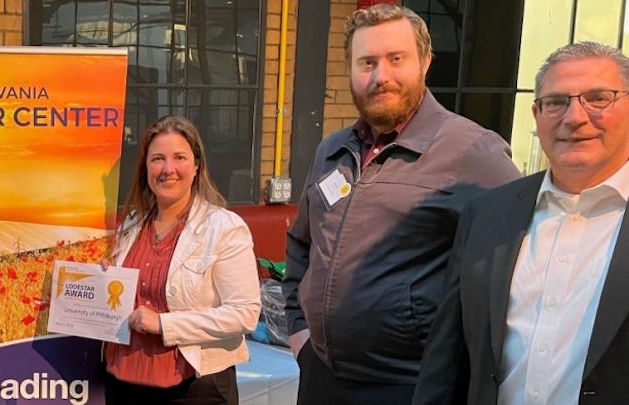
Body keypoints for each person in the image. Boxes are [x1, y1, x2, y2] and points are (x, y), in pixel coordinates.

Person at [282, 4, 522, 404]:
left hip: (410, 388)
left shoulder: (473, 152)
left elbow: (517, 262)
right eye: (367, 62)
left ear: (425, 61)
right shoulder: (332, 151)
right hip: (321, 378)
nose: (381, 77)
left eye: (396, 59)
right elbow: (302, 244)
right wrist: (298, 331)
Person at [413, 41, 629, 405]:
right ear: (536, 114)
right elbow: (446, 360)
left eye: (597, 98)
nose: (574, 117)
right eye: (556, 102)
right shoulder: (489, 214)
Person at [101, 115, 261, 405]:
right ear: (145, 168)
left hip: (194, 387)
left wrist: (164, 324)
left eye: (179, 158)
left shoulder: (224, 227)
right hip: (123, 381)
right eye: (157, 159)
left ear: (197, 166)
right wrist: (104, 282)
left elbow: (244, 313)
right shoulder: (131, 226)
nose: (168, 169)